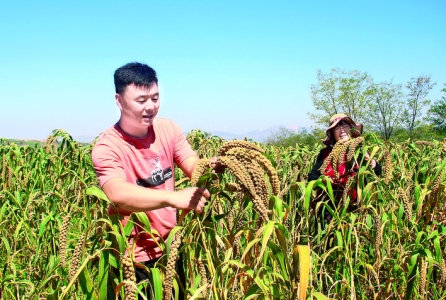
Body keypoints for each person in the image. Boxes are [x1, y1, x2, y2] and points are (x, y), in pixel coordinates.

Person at [92, 62, 210, 298]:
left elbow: (193, 165)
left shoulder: (168, 129)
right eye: (141, 100)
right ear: (119, 100)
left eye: (155, 98)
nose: (150, 107)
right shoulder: (107, 147)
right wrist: (173, 198)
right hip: (133, 259)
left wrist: (212, 166)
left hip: (171, 249)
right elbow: (117, 193)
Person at [308, 113, 382, 221]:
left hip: (355, 211)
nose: (342, 130)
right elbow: (312, 177)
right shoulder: (326, 154)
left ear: (351, 130)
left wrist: (372, 162)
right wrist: (324, 179)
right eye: (337, 127)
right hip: (330, 210)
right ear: (332, 133)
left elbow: (377, 175)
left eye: (344, 125)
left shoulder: (360, 153)